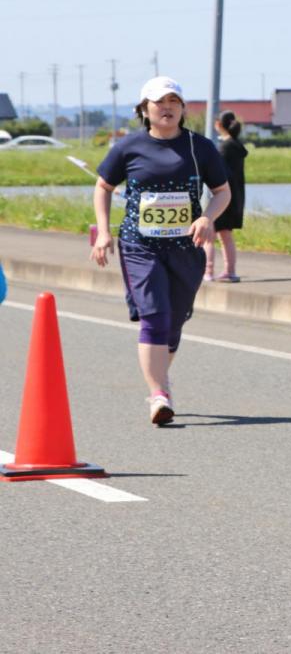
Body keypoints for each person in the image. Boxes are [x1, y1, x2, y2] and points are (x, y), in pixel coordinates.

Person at [91, 76, 230, 426]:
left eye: (174, 101)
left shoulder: (200, 148)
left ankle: (159, 382)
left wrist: (207, 219)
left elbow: (223, 191)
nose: (166, 107)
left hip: (186, 247)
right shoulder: (129, 147)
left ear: (183, 109)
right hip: (141, 246)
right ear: (144, 109)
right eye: (158, 102)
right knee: (154, 313)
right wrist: (104, 233)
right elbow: (103, 187)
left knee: (175, 320)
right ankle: (159, 394)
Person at [203, 110, 249, 283]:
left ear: (218, 125)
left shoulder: (224, 148)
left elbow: (217, 175)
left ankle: (208, 271)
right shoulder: (237, 147)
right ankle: (230, 271)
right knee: (226, 235)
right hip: (236, 198)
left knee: (210, 235)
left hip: (222, 198)